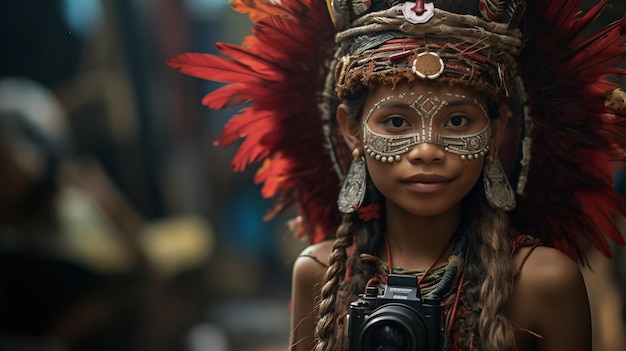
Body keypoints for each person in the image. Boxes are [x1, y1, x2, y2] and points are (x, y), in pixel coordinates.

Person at [169, 0, 626, 350]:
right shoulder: (319, 271)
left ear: (498, 129)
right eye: (396, 122)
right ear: (352, 131)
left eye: (458, 121)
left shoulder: (543, 281)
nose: (427, 149)